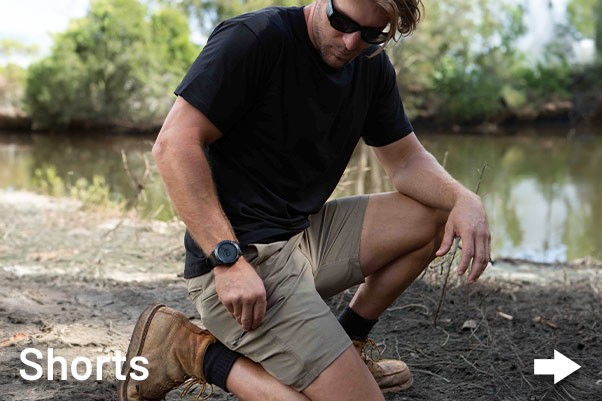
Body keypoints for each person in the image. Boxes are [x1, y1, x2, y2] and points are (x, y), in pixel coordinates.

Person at [118, 0, 491, 400]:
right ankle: (192, 352)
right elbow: (174, 145)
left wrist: (463, 198)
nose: (351, 42)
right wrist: (227, 259)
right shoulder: (255, 38)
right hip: (240, 263)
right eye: (342, 21)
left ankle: (350, 344)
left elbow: (407, 161)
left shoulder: (371, 65)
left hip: (303, 240)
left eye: (371, 34)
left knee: (435, 214)